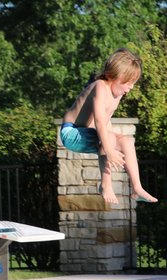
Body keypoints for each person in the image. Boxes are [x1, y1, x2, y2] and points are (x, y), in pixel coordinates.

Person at [61, 48, 158, 204]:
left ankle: (136, 188)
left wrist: (116, 144)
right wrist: (109, 150)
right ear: (113, 76)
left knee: (127, 141)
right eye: (128, 82)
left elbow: (106, 122)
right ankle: (106, 185)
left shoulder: (117, 95)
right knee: (109, 139)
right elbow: (99, 121)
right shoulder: (100, 86)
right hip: (70, 132)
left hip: (85, 132)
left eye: (134, 83)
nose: (131, 87)